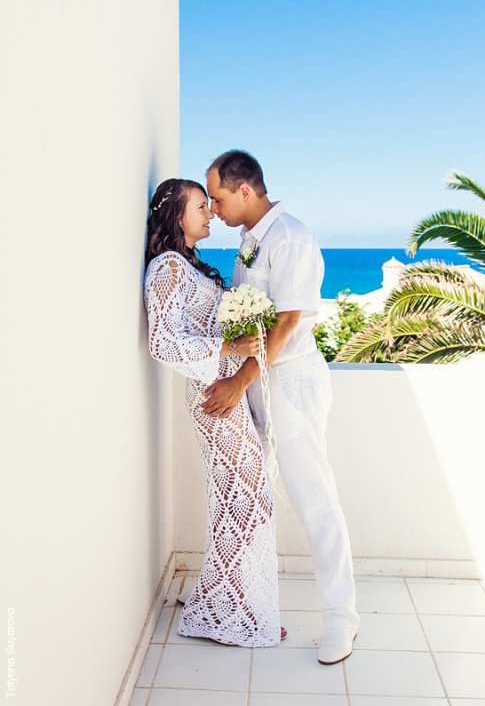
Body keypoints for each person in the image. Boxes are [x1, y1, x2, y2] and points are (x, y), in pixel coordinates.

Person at [204, 150, 360, 664]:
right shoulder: (252, 240)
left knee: (315, 500)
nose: (214, 209)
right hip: (259, 383)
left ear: (245, 191)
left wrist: (239, 381)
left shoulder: (289, 237)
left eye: (219, 199)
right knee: (251, 496)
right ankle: (234, 601)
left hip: (290, 384)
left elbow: (289, 322)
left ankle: (342, 620)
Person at [144, 178, 283, 647]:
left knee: (243, 501)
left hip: (226, 390)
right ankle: (226, 611)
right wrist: (228, 347)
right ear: (176, 214)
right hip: (212, 395)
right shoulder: (166, 267)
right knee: (242, 501)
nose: (210, 213)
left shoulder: (188, 264)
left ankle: (230, 606)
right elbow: (162, 342)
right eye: (201, 206)